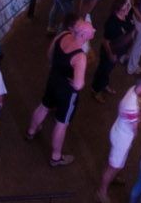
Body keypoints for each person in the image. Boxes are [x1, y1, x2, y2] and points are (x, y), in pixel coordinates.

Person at [26, 18, 92, 166]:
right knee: (62, 123)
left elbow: (50, 54)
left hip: (53, 79)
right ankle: (56, 157)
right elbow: (78, 85)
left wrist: (56, 69)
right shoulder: (80, 56)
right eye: (90, 31)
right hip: (66, 92)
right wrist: (75, 83)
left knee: (44, 105)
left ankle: (31, 131)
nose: (93, 31)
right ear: (83, 36)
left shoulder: (63, 35)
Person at [99, 77, 141, 203]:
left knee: (118, 163)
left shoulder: (134, 90)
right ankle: (101, 192)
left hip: (121, 131)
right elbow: (136, 127)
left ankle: (115, 176)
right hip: (122, 138)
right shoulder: (131, 106)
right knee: (113, 167)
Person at [91, 0, 138, 98]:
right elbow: (105, 41)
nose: (127, 10)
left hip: (118, 51)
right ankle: (96, 90)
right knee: (103, 70)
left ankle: (104, 85)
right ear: (117, 10)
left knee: (108, 70)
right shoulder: (112, 23)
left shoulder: (127, 16)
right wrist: (111, 55)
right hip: (110, 52)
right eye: (124, 9)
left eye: (127, 7)